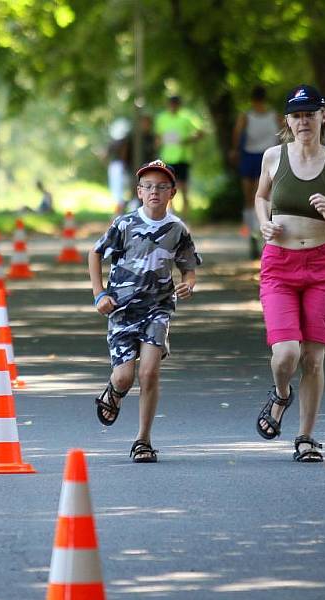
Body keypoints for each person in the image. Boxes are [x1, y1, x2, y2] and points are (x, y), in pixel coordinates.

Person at [254, 84, 325, 462]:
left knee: (314, 359)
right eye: (296, 115)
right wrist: (263, 224)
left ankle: (305, 437)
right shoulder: (273, 156)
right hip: (279, 267)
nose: (303, 121)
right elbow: (260, 197)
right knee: (286, 355)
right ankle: (281, 394)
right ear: (287, 120)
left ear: (323, 117)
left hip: (320, 266)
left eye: (310, 113)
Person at [88, 160, 201, 463]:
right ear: (139, 192)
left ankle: (143, 440)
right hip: (123, 311)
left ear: (172, 193)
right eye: (149, 186)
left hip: (158, 309)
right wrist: (100, 294)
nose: (155, 191)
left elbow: (189, 267)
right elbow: (95, 253)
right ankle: (113, 391)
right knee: (125, 378)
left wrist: (189, 284)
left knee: (149, 372)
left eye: (162, 187)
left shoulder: (177, 229)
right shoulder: (125, 224)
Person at [229, 85, 282, 259]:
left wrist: (235, 151)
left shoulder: (246, 116)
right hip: (268, 157)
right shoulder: (274, 116)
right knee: (265, 196)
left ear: (252, 99)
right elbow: (285, 132)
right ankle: (261, 233)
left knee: (249, 198)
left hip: (250, 158)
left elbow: (237, 134)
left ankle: (252, 233)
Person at [155, 96, 203, 220]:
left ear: (179, 105)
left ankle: (185, 219)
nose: (173, 107)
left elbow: (200, 133)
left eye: (175, 104)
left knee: (184, 190)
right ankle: (171, 217)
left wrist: (187, 140)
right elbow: (158, 137)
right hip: (167, 159)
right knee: (168, 189)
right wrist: (159, 142)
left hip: (183, 158)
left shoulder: (187, 117)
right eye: (171, 104)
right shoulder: (161, 118)